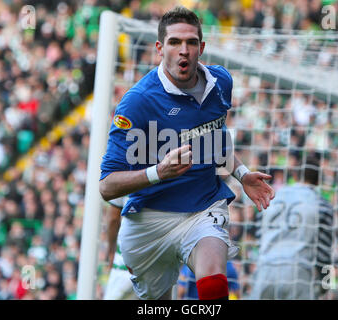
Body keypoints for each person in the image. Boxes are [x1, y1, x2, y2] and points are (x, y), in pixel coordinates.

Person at [99, 6, 275, 300]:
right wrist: (158, 172)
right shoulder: (137, 103)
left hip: (201, 208)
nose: (184, 51)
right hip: (148, 220)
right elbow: (107, 187)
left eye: (191, 42)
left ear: (201, 47)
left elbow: (213, 139)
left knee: (214, 282)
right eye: (175, 42)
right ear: (159, 48)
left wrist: (242, 174)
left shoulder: (221, 84)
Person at [250, 155, 334, 300]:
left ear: (295, 175)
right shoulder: (321, 204)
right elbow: (324, 253)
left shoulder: (271, 197)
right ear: (319, 180)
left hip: (265, 270)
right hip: (298, 273)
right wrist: (326, 286)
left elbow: (259, 237)